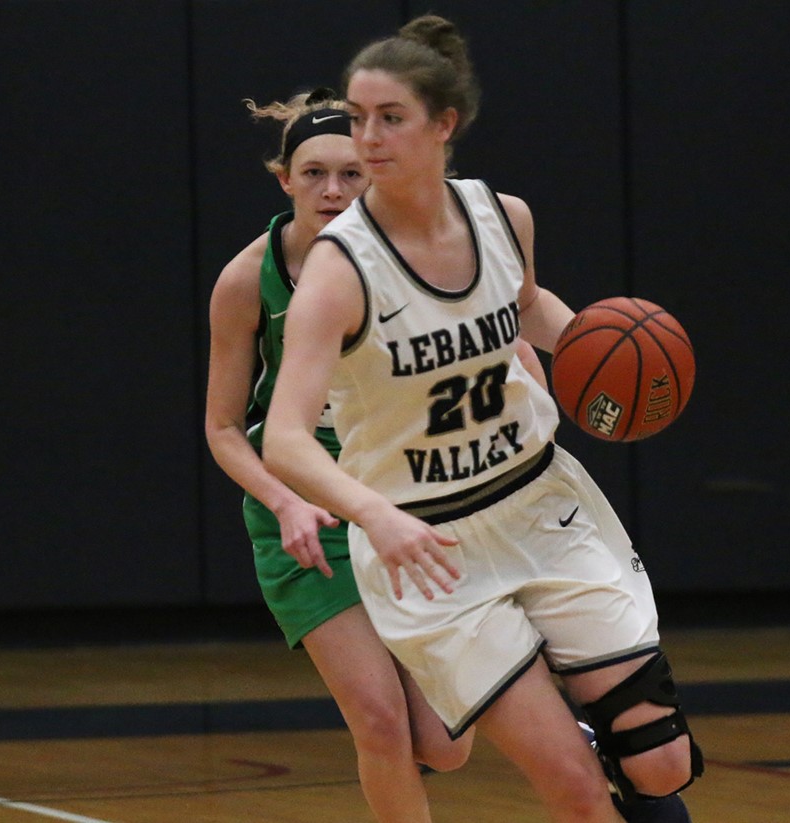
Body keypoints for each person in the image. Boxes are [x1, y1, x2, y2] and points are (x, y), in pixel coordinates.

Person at [263, 15, 703, 823]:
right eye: (358, 118)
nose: (367, 138)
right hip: (430, 549)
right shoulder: (337, 271)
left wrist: (606, 366)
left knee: (661, 762)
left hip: (541, 505)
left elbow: (529, 306)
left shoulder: (504, 218)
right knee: (571, 785)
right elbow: (284, 436)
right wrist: (373, 514)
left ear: (442, 125)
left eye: (388, 118)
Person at [203, 87, 472, 823]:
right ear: (283, 178)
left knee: (445, 744)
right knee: (379, 722)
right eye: (313, 172)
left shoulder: (414, 255)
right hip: (302, 509)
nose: (332, 189)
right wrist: (286, 499)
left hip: (402, 490)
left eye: (351, 173)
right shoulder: (245, 280)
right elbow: (224, 428)